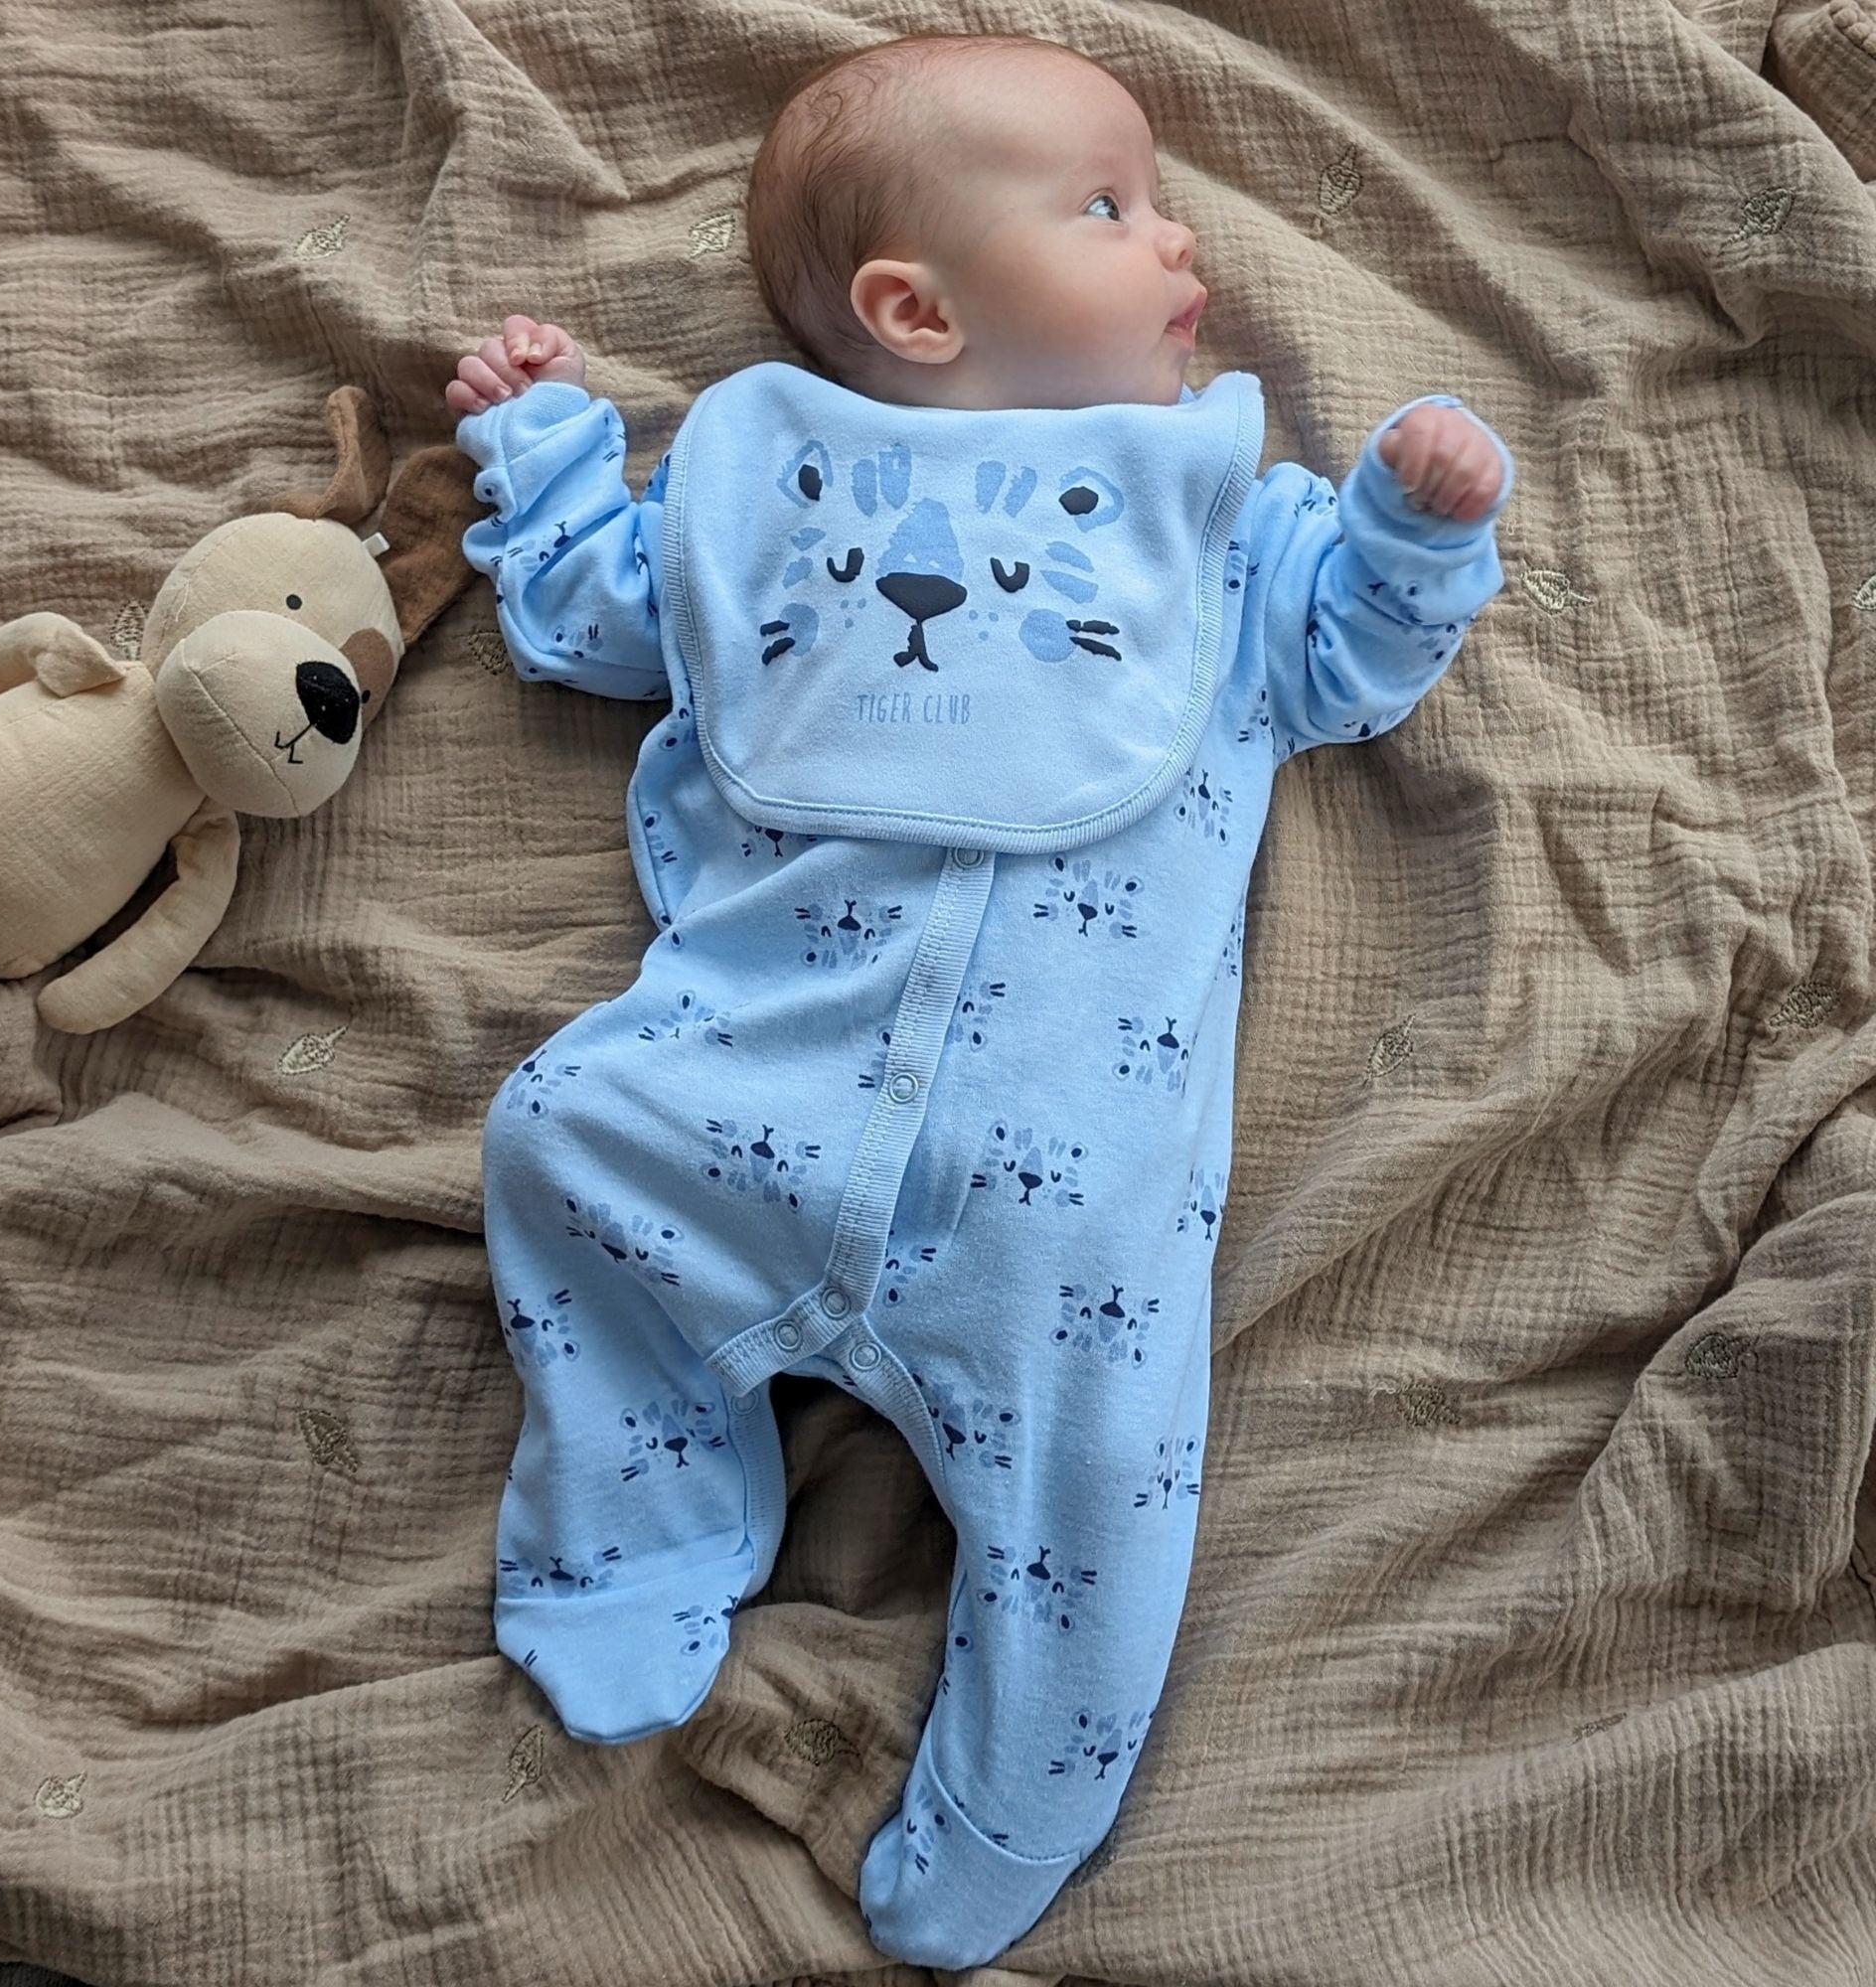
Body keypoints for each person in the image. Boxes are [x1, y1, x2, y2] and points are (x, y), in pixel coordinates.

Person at [447, 30, 1514, 1969]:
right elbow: (607, 608)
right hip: (732, 1094)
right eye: (1109, 204)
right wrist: (539, 454)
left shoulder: (1222, 530)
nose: (1179, 236)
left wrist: (1411, 535)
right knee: (554, 1133)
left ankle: (1011, 1804)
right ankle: (642, 1525)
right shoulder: (759, 487)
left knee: (1103, 1485)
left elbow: (1351, 659)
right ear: (912, 308)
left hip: (1054, 1210)